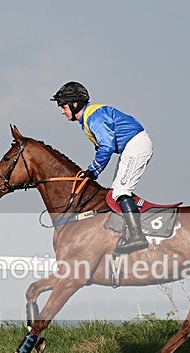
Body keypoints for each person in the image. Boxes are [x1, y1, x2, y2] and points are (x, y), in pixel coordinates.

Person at [50, 81, 153, 254]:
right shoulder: (88, 118)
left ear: (75, 104)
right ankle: (131, 229)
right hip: (131, 146)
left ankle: (138, 236)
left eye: (64, 106)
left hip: (135, 145)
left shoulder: (94, 117)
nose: (62, 111)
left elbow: (107, 146)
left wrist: (93, 170)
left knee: (120, 192)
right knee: (116, 193)